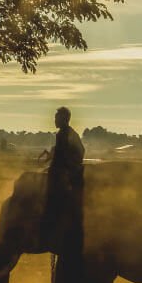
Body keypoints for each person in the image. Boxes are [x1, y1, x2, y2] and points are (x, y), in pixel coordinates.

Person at [41, 106, 84, 251]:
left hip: (66, 175)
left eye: (57, 117)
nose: (54, 120)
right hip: (70, 172)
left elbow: (65, 156)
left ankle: (50, 222)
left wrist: (57, 165)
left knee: (49, 193)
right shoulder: (68, 133)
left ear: (64, 119)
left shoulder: (64, 134)